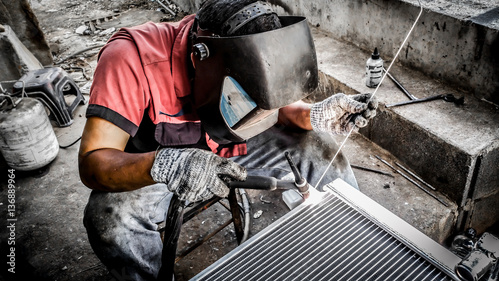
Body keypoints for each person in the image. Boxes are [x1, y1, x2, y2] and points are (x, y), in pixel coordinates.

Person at [79, 0, 378, 280]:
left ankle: (357, 248)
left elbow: (275, 110)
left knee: (321, 150)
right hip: (159, 171)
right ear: (199, 59)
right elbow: (93, 161)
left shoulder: (252, 50)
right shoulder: (130, 58)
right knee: (109, 221)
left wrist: (316, 115)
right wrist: (165, 165)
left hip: (232, 144)